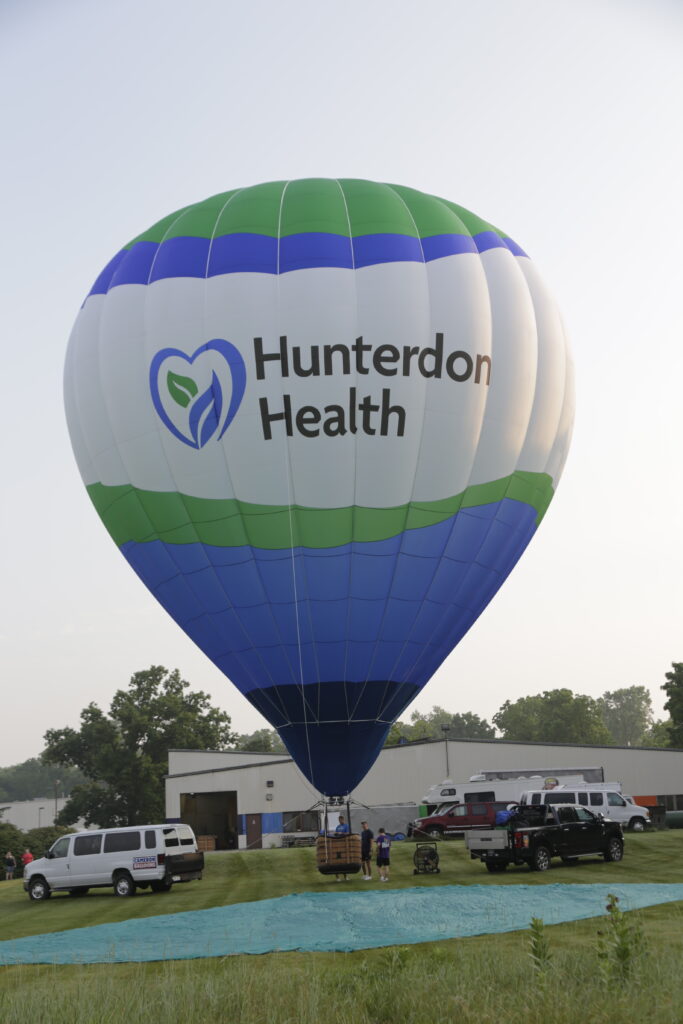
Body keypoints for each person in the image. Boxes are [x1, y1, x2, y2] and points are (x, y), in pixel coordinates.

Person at [334, 814, 350, 881]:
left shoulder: (346, 826)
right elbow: (336, 834)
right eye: (339, 820)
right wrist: (336, 833)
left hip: (344, 844)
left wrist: (341, 833)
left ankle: (345, 876)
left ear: (343, 820)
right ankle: (337, 877)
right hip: (337, 845)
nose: (340, 821)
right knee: (336, 860)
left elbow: (348, 833)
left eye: (341, 820)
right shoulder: (337, 827)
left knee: (344, 861)